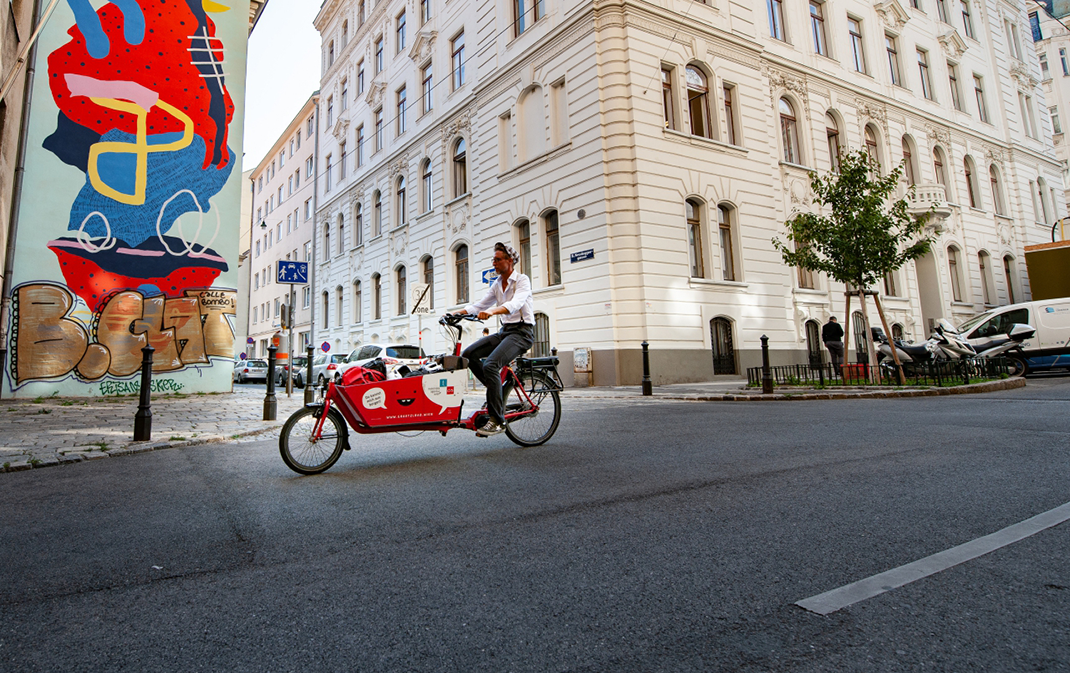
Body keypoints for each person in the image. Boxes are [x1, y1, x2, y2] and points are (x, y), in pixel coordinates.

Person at [453, 242, 534, 437]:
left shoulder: (521, 280)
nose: (494, 263)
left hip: (522, 333)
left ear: (509, 261)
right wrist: (456, 313)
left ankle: (497, 421)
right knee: (468, 355)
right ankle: (494, 390)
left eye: (498, 260)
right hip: (506, 331)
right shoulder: (497, 284)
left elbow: (515, 304)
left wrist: (492, 311)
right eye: (494, 260)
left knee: (490, 365)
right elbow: (480, 305)